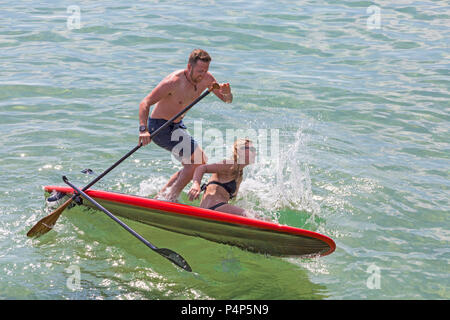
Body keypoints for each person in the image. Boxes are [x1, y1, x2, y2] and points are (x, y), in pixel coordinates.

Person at [138, 49, 233, 202]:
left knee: (199, 161)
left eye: (206, 70)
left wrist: (227, 93)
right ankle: (169, 197)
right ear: (189, 67)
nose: (203, 74)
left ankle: (162, 196)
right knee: (195, 162)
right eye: (200, 71)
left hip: (177, 125)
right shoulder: (173, 81)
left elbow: (227, 100)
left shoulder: (207, 79)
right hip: (160, 127)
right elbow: (145, 102)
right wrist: (143, 129)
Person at [187, 139, 256, 216]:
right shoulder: (229, 164)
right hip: (213, 208)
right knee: (253, 216)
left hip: (217, 209)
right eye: (251, 149)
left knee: (254, 215)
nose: (254, 152)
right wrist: (196, 184)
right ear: (240, 151)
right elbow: (202, 168)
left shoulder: (239, 173)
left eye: (254, 149)